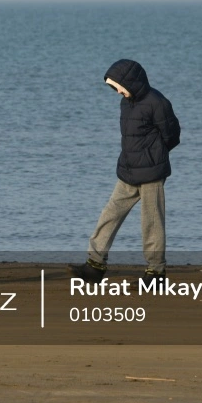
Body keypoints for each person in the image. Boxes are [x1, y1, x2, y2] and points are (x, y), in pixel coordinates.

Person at [72, 59, 181, 283]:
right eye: (113, 87)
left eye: (119, 86)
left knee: (152, 223)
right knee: (109, 215)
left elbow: (172, 135)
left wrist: (154, 155)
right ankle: (94, 265)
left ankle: (155, 273)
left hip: (151, 173)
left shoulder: (157, 102)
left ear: (132, 82)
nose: (117, 91)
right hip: (128, 171)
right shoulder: (126, 103)